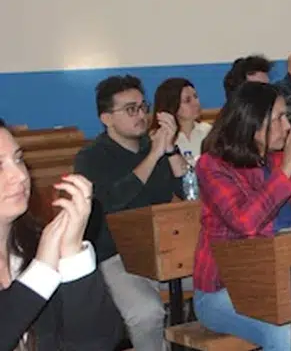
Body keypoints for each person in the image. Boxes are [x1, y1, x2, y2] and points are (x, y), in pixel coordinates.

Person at [193, 82, 291, 351]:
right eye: (279, 118)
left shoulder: (277, 160)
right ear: (253, 123)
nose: (287, 127)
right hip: (226, 290)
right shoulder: (212, 165)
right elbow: (245, 224)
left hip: (288, 281)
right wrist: (288, 167)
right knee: (282, 329)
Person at [75, 75, 187, 351]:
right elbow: (111, 203)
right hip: (117, 256)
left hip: (165, 247)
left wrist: (170, 148)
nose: (141, 115)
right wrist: (154, 156)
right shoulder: (91, 157)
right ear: (106, 118)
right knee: (146, 314)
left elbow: (188, 192)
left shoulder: (154, 147)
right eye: (130, 109)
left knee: (221, 280)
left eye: (142, 107)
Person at [1, 121, 123, 351]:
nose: (19, 175)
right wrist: (43, 269)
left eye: (18, 159)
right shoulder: (43, 256)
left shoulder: (34, 244)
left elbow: (98, 343)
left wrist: (72, 254)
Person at [155, 78, 212, 165]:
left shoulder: (208, 131)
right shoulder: (161, 138)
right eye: (187, 100)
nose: (196, 103)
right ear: (172, 106)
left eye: (195, 96)